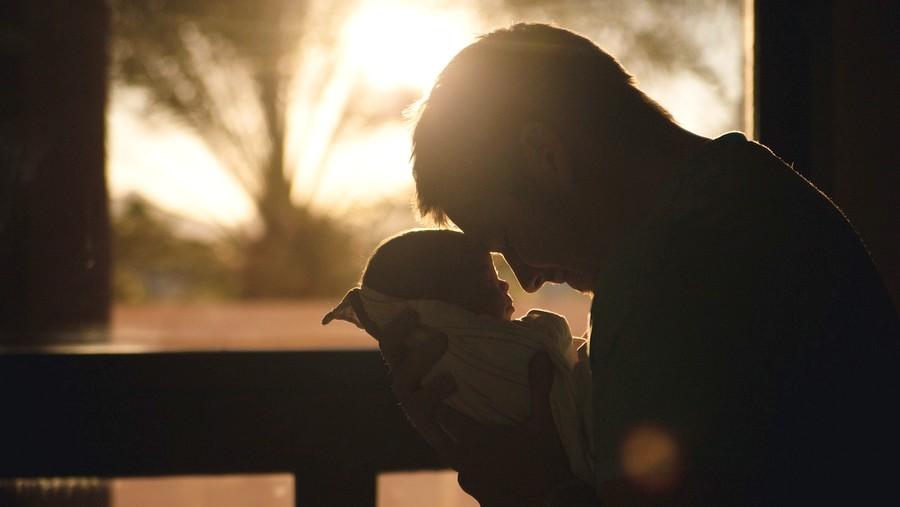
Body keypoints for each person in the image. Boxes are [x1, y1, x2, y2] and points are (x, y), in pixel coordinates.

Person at [361, 23, 900, 506]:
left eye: (509, 238)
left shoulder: (670, 271)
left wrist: (519, 482)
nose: (525, 278)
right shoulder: (752, 195)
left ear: (544, 157)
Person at [322, 229, 595, 485]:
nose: (507, 283)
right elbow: (552, 340)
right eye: (487, 279)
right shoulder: (486, 354)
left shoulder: (436, 376)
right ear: (442, 310)